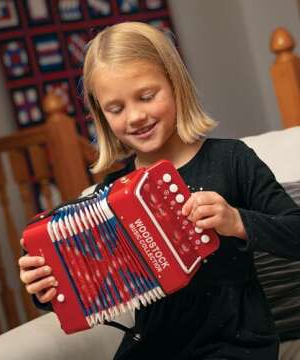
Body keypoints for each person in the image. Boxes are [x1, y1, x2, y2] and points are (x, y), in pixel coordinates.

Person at [18, 22, 300, 359]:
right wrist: (48, 285)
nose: (135, 116)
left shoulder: (230, 160)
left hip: (235, 344)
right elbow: (92, 286)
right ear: (101, 115)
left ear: (175, 85)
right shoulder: (108, 196)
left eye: (146, 96)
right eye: (116, 108)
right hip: (154, 347)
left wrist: (237, 221)